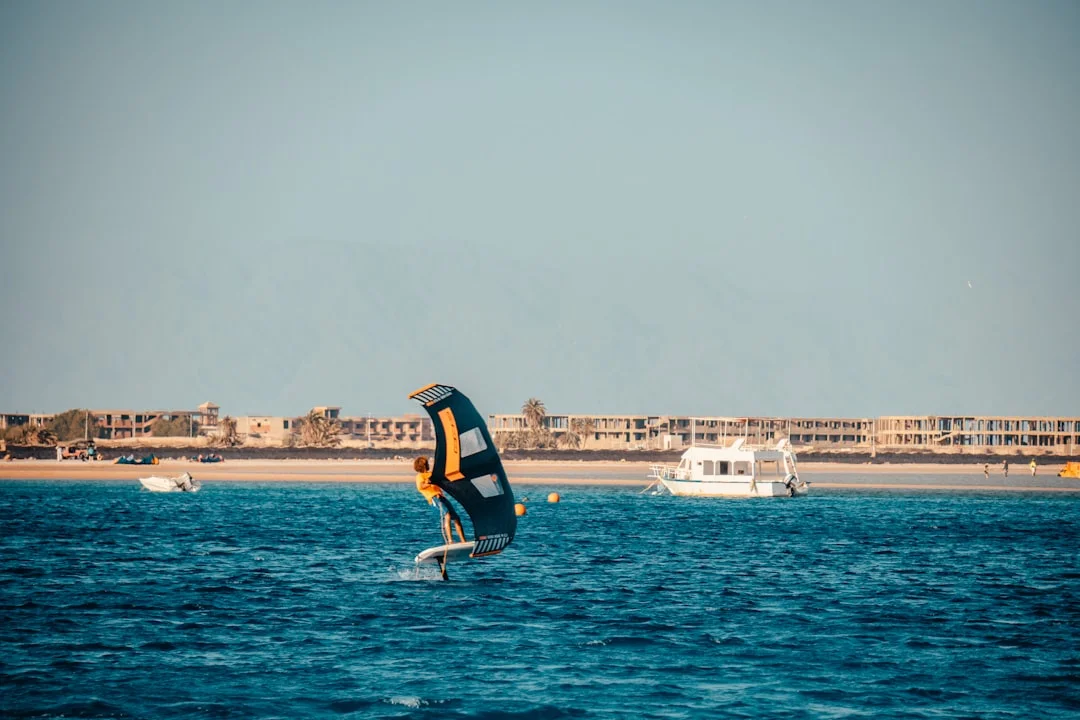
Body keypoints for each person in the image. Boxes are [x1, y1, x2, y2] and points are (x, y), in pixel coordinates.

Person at [414, 456, 466, 546]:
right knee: (447, 515)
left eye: (426, 463)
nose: (426, 465)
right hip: (433, 498)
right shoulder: (420, 476)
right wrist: (428, 482)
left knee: (456, 518)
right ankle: (450, 541)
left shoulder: (430, 474)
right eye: (425, 464)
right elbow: (421, 487)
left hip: (441, 497)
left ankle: (463, 541)